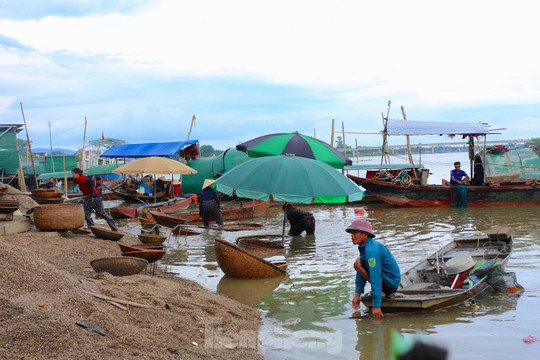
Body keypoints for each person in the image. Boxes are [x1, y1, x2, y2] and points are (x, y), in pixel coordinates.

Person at [347, 219, 400, 319]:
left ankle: (381, 292)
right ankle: (380, 292)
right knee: (358, 263)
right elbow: (361, 272)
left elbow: (375, 277)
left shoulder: (372, 251)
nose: (352, 236)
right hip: (385, 281)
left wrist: (376, 306)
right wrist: (357, 294)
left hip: (390, 284)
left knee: (358, 264)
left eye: (355, 233)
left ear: (365, 235)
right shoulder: (365, 247)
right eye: (351, 233)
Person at [71, 168, 118, 232]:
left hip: (93, 197)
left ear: (77, 174)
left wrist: (92, 192)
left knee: (85, 211)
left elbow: (91, 182)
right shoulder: (79, 179)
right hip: (97, 197)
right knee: (102, 213)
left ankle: (91, 226)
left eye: (73, 174)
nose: (72, 175)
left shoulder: (81, 178)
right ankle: (114, 228)